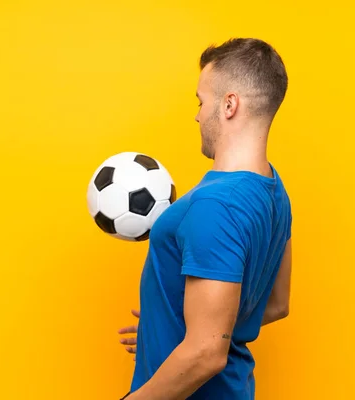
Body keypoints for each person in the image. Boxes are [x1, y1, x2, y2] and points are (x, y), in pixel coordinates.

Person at [117, 37, 293, 400]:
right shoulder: (275, 190)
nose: (197, 114)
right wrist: (168, 325)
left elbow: (206, 354)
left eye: (201, 100)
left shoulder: (216, 205)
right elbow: (275, 305)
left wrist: (200, 338)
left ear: (229, 105)